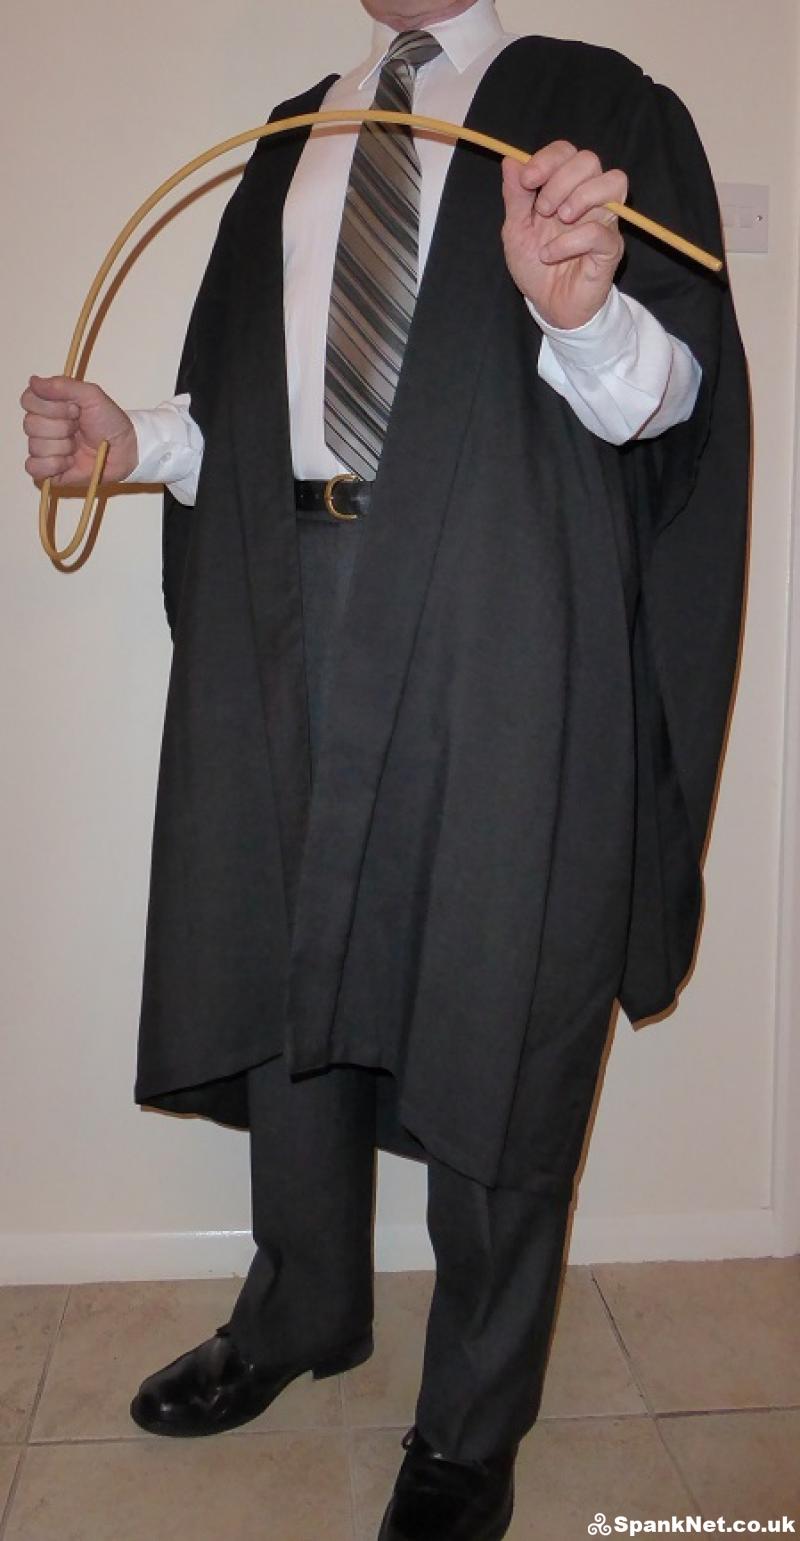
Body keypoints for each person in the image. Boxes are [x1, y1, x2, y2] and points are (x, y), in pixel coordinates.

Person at [21, 1, 749, 1536]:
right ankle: (304, 1305)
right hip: (289, 591)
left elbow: (672, 400)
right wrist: (129, 440)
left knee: (501, 982)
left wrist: (579, 313)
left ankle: (471, 1423)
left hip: (504, 601)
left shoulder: (599, 102)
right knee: (292, 957)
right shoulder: (300, 131)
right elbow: (253, 408)